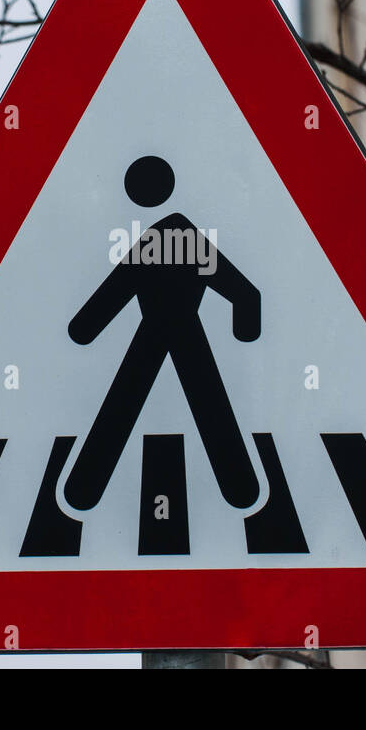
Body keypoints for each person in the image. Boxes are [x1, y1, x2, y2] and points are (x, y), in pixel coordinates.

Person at [65, 155, 261, 512]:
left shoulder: (157, 240)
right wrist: (245, 328)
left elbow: (114, 292)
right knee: (208, 405)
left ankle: (82, 490)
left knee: (123, 404)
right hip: (179, 331)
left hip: (160, 331)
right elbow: (244, 292)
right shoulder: (181, 237)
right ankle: (242, 489)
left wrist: (85, 329)